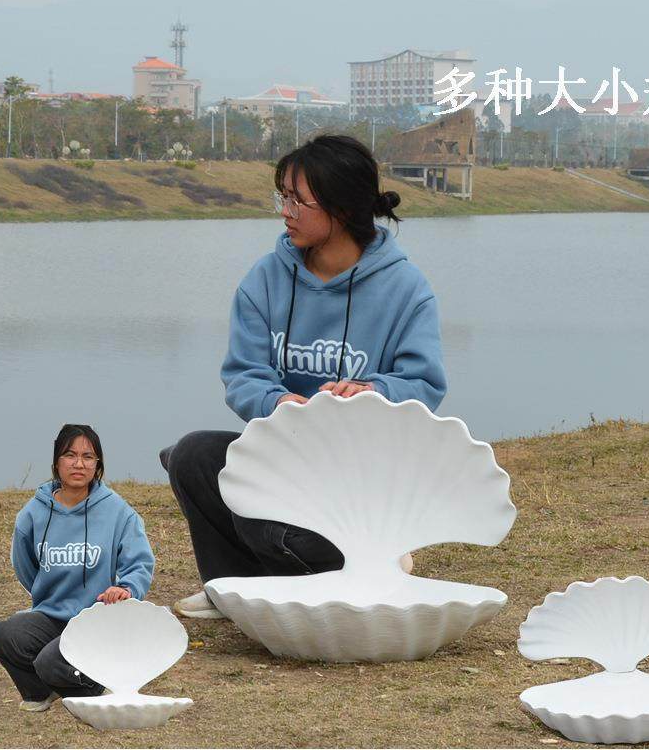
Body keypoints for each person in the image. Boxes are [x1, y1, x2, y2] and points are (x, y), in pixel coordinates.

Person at [161, 134, 447, 618]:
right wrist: (277, 403)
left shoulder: (405, 288)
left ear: (343, 207)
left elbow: (424, 384)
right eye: (282, 197)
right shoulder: (266, 279)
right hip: (288, 460)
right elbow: (244, 374)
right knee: (193, 455)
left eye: (298, 200)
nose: (285, 212)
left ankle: (375, 562)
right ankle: (232, 589)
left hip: (361, 481)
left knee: (257, 515)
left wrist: (371, 392)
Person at [0, 424, 155, 712]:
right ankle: (40, 691)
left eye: (88, 457)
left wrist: (125, 588)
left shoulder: (118, 511)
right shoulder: (33, 512)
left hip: (96, 619)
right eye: (70, 455)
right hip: (51, 616)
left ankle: (97, 692)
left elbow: (139, 563)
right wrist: (47, 593)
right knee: (0, 635)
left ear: (97, 464)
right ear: (56, 462)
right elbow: (25, 567)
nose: (79, 464)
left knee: (49, 661)